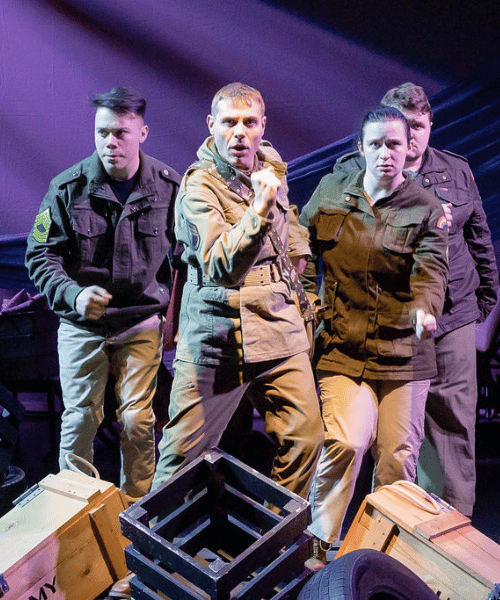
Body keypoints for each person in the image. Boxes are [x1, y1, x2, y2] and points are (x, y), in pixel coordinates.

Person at [152, 82, 324, 502]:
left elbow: (292, 224)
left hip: (277, 328)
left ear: (263, 125)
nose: (240, 133)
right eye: (229, 123)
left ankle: (273, 540)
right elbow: (220, 265)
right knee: (181, 457)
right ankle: (151, 556)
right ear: (213, 126)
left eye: (249, 122)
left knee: (306, 438)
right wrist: (258, 209)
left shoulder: (271, 166)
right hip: (217, 337)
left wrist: (297, 258)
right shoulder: (199, 187)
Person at [335, 83, 499, 518]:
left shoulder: (457, 170)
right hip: (389, 320)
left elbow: (478, 235)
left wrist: (484, 296)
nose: (409, 136)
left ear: (430, 126)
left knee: (454, 423)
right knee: (394, 431)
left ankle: (452, 529)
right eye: (400, 125)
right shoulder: (353, 169)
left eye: (419, 126)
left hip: (452, 316)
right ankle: (389, 526)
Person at [299, 107, 449, 570]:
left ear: (409, 149)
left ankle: (383, 559)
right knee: (346, 441)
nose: (386, 154)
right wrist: (306, 303)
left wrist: (426, 310)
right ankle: (319, 550)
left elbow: (432, 273)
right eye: (376, 144)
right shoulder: (330, 191)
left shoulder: (425, 207)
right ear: (360, 147)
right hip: (343, 348)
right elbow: (300, 250)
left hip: (404, 352)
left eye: (395, 144)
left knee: (397, 459)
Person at [25, 87, 181, 505]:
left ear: (142, 133)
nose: (110, 142)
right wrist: (72, 295)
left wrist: (177, 318)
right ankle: (74, 512)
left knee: (136, 420)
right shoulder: (65, 189)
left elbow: (190, 256)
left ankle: (139, 513)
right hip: (83, 324)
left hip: (140, 322)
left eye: (121, 133)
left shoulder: (169, 188)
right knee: (79, 419)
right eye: (102, 132)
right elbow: (39, 253)